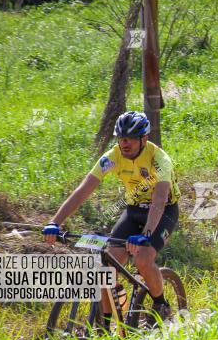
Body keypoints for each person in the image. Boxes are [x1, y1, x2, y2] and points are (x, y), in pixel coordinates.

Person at [42, 111, 181, 328]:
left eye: (130, 139)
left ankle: (161, 304)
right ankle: (105, 327)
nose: (124, 143)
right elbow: (83, 190)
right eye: (121, 138)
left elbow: (160, 199)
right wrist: (55, 222)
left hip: (163, 212)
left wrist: (145, 234)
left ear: (144, 139)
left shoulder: (159, 159)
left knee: (143, 259)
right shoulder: (112, 157)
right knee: (107, 266)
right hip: (134, 211)